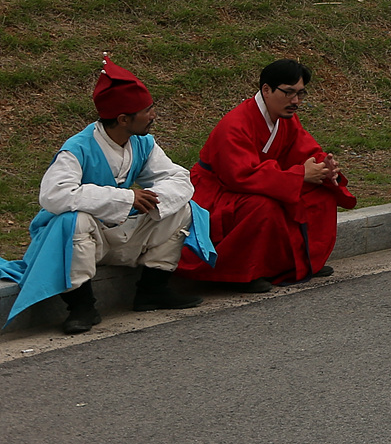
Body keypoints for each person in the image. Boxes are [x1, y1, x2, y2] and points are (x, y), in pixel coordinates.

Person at [2, 59, 210, 333]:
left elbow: (178, 178)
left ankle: (152, 290)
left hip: (122, 232)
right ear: (123, 119)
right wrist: (126, 199)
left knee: (183, 210)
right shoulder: (77, 148)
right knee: (72, 220)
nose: (153, 116)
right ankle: (81, 305)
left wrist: (152, 198)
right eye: (146, 111)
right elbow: (54, 196)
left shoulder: (143, 142)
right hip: (87, 238)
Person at [178, 59, 356, 290]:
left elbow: (303, 148)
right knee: (263, 206)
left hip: (261, 181)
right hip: (217, 190)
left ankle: (300, 262)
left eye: (301, 94)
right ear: (266, 90)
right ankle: (240, 274)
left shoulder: (284, 118)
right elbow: (240, 175)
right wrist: (299, 175)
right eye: (289, 93)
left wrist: (323, 167)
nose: (295, 101)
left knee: (320, 195)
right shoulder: (235, 124)